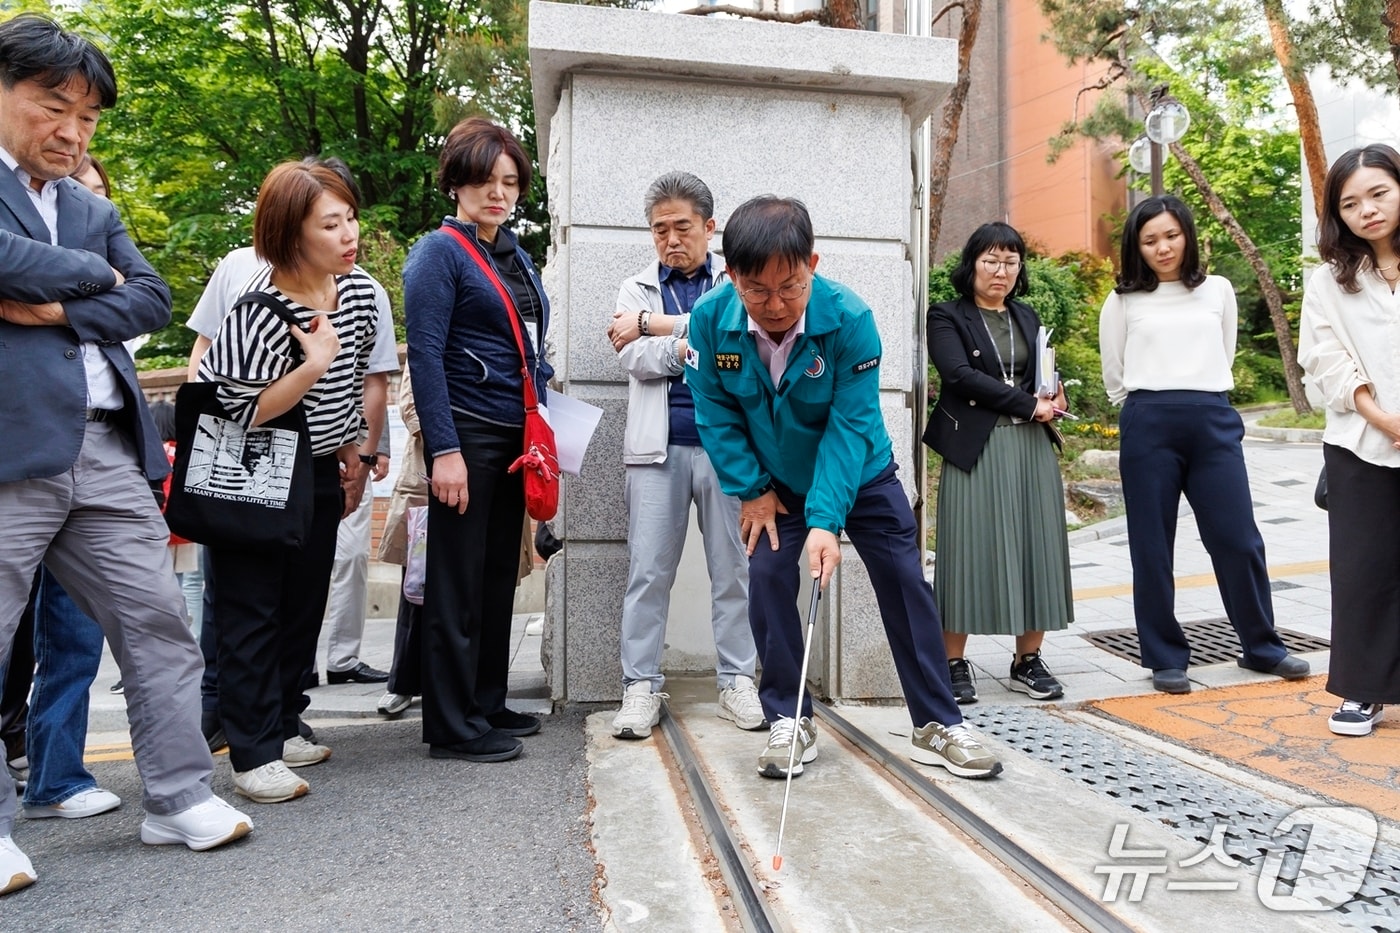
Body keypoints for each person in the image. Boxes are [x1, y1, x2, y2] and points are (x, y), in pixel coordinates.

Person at [0, 13, 252, 895]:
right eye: (52, 106)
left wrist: (52, 304)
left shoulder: (91, 205)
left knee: (156, 625)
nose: (72, 132)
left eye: (90, 118)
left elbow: (150, 298)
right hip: (10, 449)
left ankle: (178, 796)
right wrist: (91, 277)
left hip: (106, 448)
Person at [685, 195, 1002, 780]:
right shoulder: (709, 320)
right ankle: (790, 717)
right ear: (730, 276)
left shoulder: (850, 318)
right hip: (772, 484)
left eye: (791, 287)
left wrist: (826, 520)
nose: (775, 305)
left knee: (906, 581)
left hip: (861, 472)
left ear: (814, 263)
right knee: (770, 579)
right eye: (757, 290)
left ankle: (938, 721)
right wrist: (752, 490)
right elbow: (714, 413)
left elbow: (848, 425)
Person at [198, 160, 380, 804]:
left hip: (321, 467)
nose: (348, 233)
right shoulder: (258, 311)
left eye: (350, 218)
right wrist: (313, 366)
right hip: (253, 468)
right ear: (290, 233)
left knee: (303, 604)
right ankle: (250, 753)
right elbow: (235, 409)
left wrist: (357, 451)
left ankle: (280, 722)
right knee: (251, 611)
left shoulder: (356, 292)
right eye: (330, 224)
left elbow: (356, 381)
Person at [1099, 195, 1310, 695]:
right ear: (1137, 247)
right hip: (1149, 421)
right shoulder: (1123, 300)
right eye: (1150, 240)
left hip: (1213, 418)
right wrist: (1144, 411)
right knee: (1152, 546)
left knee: (1239, 538)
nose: (1163, 247)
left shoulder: (1217, 290)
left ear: (1188, 236)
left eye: (1171, 235)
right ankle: (1165, 656)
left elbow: (1224, 352)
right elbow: (1115, 377)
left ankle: (1262, 646)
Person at [403, 117, 553, 763]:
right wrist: (444, 448)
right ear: (457, 181)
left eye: (510, 181)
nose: (499, 192)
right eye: (485, 179)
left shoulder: (513, 253)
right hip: (465, 433)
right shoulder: (438, 253)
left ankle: (487, 700)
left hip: (513, 434)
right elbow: (426, 357)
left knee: (498, 575)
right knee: (457, 579)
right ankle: (451, 722)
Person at [605, 171, 761, 740]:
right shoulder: (634, 289)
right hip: (656, 451)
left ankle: (738, 681)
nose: (671, 240)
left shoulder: (736, 282)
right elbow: (634, 360)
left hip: (727, 452)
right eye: (659, 230)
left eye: (682, 227)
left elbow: (742, 345)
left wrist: (658, 336)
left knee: (734, 572)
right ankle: (640, 687)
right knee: (648, 573)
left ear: (710, 227)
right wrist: (693, 345)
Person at [924, 222, 1072, 704]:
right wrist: (1026, 404)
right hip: (976, 448)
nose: (1001, 271)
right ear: (972, 264)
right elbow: (959, 375)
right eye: (991, 260)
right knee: (967, 549)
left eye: (1011, 261)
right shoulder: (946, 316)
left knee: (1036, 547)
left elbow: (1040, 373)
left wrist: (1054, 392)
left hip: (1030, 448)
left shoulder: (1027, 316)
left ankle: (1027, 660)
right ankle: (953, 662)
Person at [1297, 143, 1400, 736]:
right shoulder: (1329, 281)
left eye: (1379, 193)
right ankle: (1363, 689)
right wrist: (1382, 417)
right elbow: (1325, 357)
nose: (1367, 210)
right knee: (1364, 568)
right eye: (1351, 202)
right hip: (1360, 441)